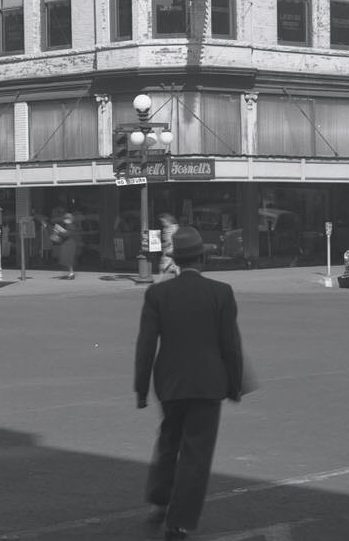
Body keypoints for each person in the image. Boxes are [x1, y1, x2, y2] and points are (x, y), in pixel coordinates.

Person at [134, 226, 244, 541]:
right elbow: (230, 345)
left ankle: (159, 500)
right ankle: (178, 522)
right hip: (209, 383)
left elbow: (145, 346)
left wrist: (141, 388)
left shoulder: (157, 294)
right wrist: (234, 385)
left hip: (169, 381)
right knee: (196, 453)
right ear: (202, 256)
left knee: (169, 439)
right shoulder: (221, 292)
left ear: (176, 260)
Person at [52, 213, 81, 280]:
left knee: (68, 259)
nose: (64, 220)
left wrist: (59, 229)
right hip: (68, 244)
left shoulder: (71, 226)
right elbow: (65, 234)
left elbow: (66, 234)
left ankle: (71, 274)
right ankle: (71, 273)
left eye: (66, 219)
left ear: (69, 219)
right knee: (67, 259)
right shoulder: (69, 226)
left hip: (70, 244)